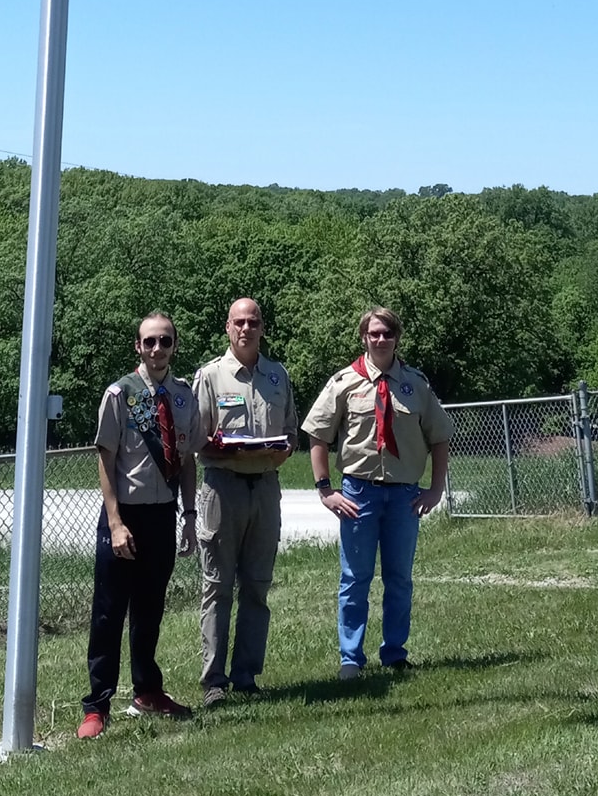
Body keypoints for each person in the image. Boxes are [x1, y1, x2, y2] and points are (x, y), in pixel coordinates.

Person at [301, 306, 452, 678]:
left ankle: (395, 653)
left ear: (396, 337)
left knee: (399, 577)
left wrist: (435, 489)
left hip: (404, 496)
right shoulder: (343, 383)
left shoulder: (415, 384)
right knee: (355, 578)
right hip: (358, 494)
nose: (381, 339)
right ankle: (350, 658)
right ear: (363, 338)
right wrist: (325, 490)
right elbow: (317, 435)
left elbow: (440, 437)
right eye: (374, 333)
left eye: (387, 333)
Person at [78, 312, 202, 738]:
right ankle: (97, 705)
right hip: (124, 515)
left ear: (174, 345)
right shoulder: (120, 394)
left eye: (164, 341)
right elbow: (105, 459)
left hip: (162, 515)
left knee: (150, 610)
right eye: (149, 341)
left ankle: (147, 691)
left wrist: (189, 516)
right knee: (109, 613)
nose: (157, 349)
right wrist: (114, 522)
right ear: (137, 346)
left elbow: (186, 462)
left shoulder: (184, 397)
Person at [192, 296, 298, 704]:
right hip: (223, 487)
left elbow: (290, 429)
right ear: (227, 327)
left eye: (253, 322)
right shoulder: (211, 377)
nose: (246, 329)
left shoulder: (276, 375)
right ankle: (214, 682)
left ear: (262, 328)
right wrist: (220, 447)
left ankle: (247, 676)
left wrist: (284, 446)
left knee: (257, 586)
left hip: (266, 488)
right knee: (217, 586)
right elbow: (196, 439)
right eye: (239, 322)